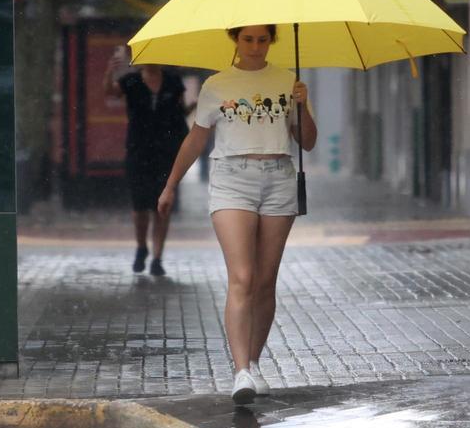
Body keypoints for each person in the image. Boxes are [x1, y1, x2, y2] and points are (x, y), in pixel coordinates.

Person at [157, 25, 317, 404]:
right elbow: (196, 138)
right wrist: (170, 184)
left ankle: (255, 363)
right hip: (232, 179)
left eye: (263, 40)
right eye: (248, 39)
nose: (256, 47)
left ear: (272, 41)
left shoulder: (289, 80)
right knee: (242, 276)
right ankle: (241, 370)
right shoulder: (216, 85)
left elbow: (306, 140)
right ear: (236, 40)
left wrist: (301, 105)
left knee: (265, 280)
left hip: (279, 178)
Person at [104, 47, 190, 275]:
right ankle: (141, 246)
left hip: (166, 152)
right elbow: (110, 93)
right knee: (140, 206)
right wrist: (109, 73)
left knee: (162, 206)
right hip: (138, 150)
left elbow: (180, 113)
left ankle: (158, 257)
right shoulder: (130, 81)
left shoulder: (173, 81)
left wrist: (199, 106)